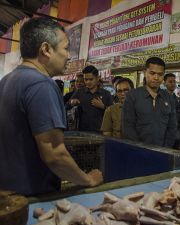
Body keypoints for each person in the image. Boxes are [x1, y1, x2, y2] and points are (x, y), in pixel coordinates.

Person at [0, 17, 103, 196]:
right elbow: (54, 154)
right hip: (33, 197)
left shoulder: (6, 81)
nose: (69, 55)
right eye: (65, 48)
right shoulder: (41, 85)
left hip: (8, 195)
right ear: (46, 49)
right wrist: (88, 179)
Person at [122, 57, 177, 147]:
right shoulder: (132, 96)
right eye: (152, 73)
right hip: (138, 151)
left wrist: (165, 149)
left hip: (163, 152)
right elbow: (128, 127)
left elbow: (172, 128)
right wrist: (140, 149)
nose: (156, 77)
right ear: (145, 72)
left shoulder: (169, 98)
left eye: (160, 74)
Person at [70, 65, 113, 132]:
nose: (88, 82)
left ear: (97, 78)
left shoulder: (106, 94)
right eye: (85, 79)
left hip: (100, 133)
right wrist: (72, 102)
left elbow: (113, 113)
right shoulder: (79, 92)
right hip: (82, 132)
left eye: (91, 79)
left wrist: (103, 107)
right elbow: (67, 105)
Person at [164, 73, 180, 148]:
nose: (173, 84)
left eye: (174, 81)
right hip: (164, 135)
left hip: (176, 135)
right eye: (170, 81)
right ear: (165, 83)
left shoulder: (178, 99)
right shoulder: (161, 98)